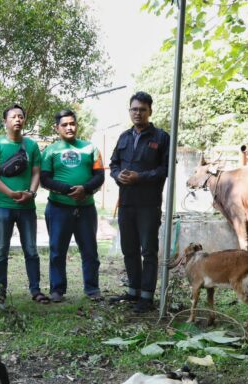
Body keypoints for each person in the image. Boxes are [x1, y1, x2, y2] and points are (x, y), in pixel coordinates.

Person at [108, 91, 170, 313]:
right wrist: (117, 176)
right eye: (134, 109)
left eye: (142, 110)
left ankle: (147, 296)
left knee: (148, 251)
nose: (138, 113)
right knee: (129, 249)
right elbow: (113, 164)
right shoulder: (124, 137)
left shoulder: (161, 138)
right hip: (126, 203)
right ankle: (133, 291)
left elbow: (165, 170)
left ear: (150, 111)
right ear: (129, 111)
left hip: (148, 204)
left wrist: (140, 177)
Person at [0, 104, 47, 306]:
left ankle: (35, 290)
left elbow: (37, 172)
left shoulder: (32, 146)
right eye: (13, 117)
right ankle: (0, 291)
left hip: (27, 207)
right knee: (1, 249)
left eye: (21, 116)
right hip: (3, 206)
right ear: (5, 121)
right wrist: (9, 193)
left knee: (31, 249)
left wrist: (31, 192)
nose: (17, 120)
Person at [40, 109, 104, 303]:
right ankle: (57, 289)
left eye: (72, 123)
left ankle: (92, 288)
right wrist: (69, 190)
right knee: (58, 251)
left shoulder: (90, 148)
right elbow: (44, 179)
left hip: (86, 208)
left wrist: (85, 189)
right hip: (58, 208)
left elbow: (100, 176)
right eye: (65, 124)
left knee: (90, 251)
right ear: (57, 128)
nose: (70, 127)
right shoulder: (50, 150)